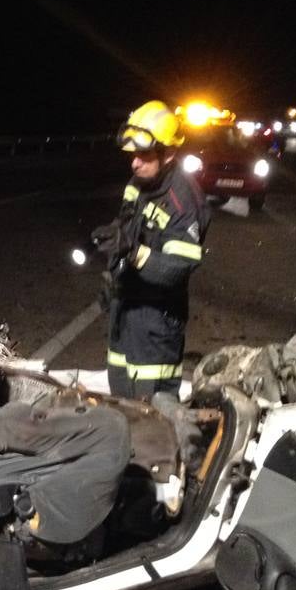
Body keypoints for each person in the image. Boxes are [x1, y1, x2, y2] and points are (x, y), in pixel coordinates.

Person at [95, 100, 209, 424]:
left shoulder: (185, 200)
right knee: (119, 405)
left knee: (152, 418)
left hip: (157, 324)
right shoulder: (136, 186)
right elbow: (126, 227)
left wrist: (133, 252)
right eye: (131, 155)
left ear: (168, 154)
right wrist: (112, 271)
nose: (134, 164)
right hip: (125, 312)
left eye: (143, 156)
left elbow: (177, 268)